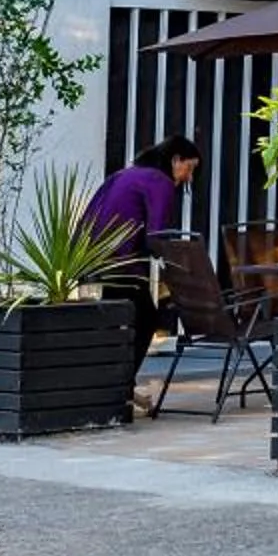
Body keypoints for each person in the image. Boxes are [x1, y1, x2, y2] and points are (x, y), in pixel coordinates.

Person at [84, 135, 199, 408]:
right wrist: (179, 265)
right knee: (147, 318)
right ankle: (120, 388)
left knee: (116, 323)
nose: (189, 177)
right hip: (120, 261)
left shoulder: (126, 174)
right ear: (175, 160)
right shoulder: (160, 182)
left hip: (91, 256)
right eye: (190, 168)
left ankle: (116, 386)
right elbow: (157, 234)